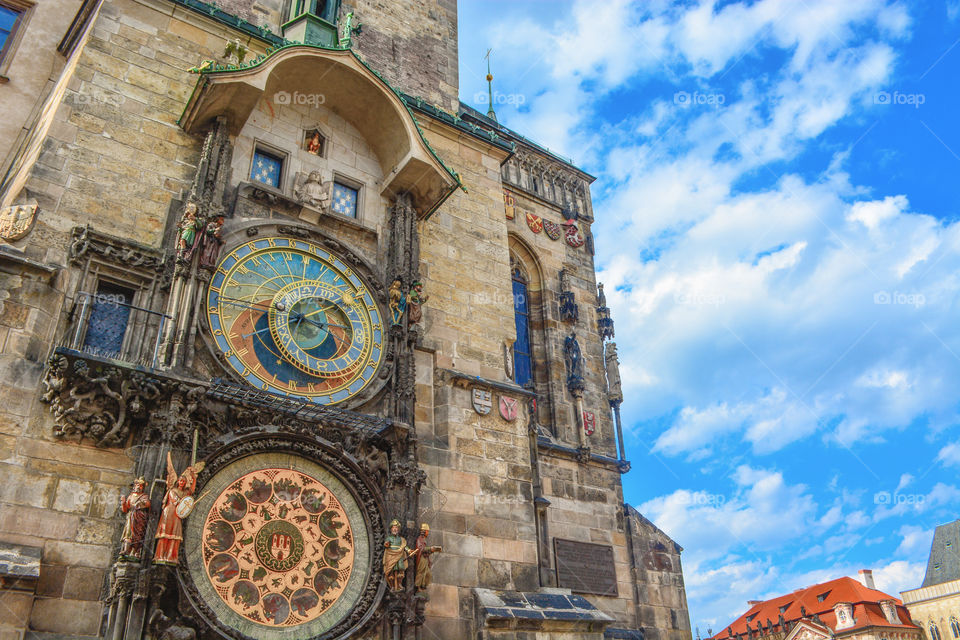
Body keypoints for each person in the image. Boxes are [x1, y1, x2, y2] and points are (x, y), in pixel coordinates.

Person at [154, 452, 204, 565]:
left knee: (175, 535)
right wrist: (184, 504)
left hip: (177, 514)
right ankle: (160, 555)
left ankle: (171, 556)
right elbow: (177, 502)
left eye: (183, 481)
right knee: (165, 534)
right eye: (180, 481)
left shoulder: (186, 492)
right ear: (177, 482)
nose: (181, 482)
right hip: (170, 512)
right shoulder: (172, 491)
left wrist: (193, 477)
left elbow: (192, 490)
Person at [119, 477, 150, 560]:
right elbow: (125, 509)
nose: (138, 487)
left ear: (143, 487)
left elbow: (147, 504)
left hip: (139, 516)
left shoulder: (144, 496)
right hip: (131, 516)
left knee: (138, 534)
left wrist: (142, 502)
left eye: (140, 486)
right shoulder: (131, 496)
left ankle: (136, 552)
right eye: (137, 485)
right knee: (128, 533)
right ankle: (126, 550)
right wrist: (123, 503)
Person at [412, 523, 442, 591]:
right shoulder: (420, 539)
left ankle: (423, 585)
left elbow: (425, 550)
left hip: (425, 558)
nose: (428, 533)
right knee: (421, 572)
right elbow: (420, 549)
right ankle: (418, 587)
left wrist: (432, 550)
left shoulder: (424, 539)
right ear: (424, 531)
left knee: (427, 573)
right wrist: (430, 549)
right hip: (421, 559)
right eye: (427, 531)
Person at [383, 519, 410, 590]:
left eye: (396, 528)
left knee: (400, 570)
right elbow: (386, 544)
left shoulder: (401, 539)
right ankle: (392, 586)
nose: (395, 529)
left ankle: (399, 584)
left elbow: (404, 546)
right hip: (391, 555)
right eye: (393, 527)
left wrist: (409, 550)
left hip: (399, 555)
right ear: (391, 529)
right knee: (390, 572)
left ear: (398, 529)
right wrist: (386, 544)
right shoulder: (389, 538)